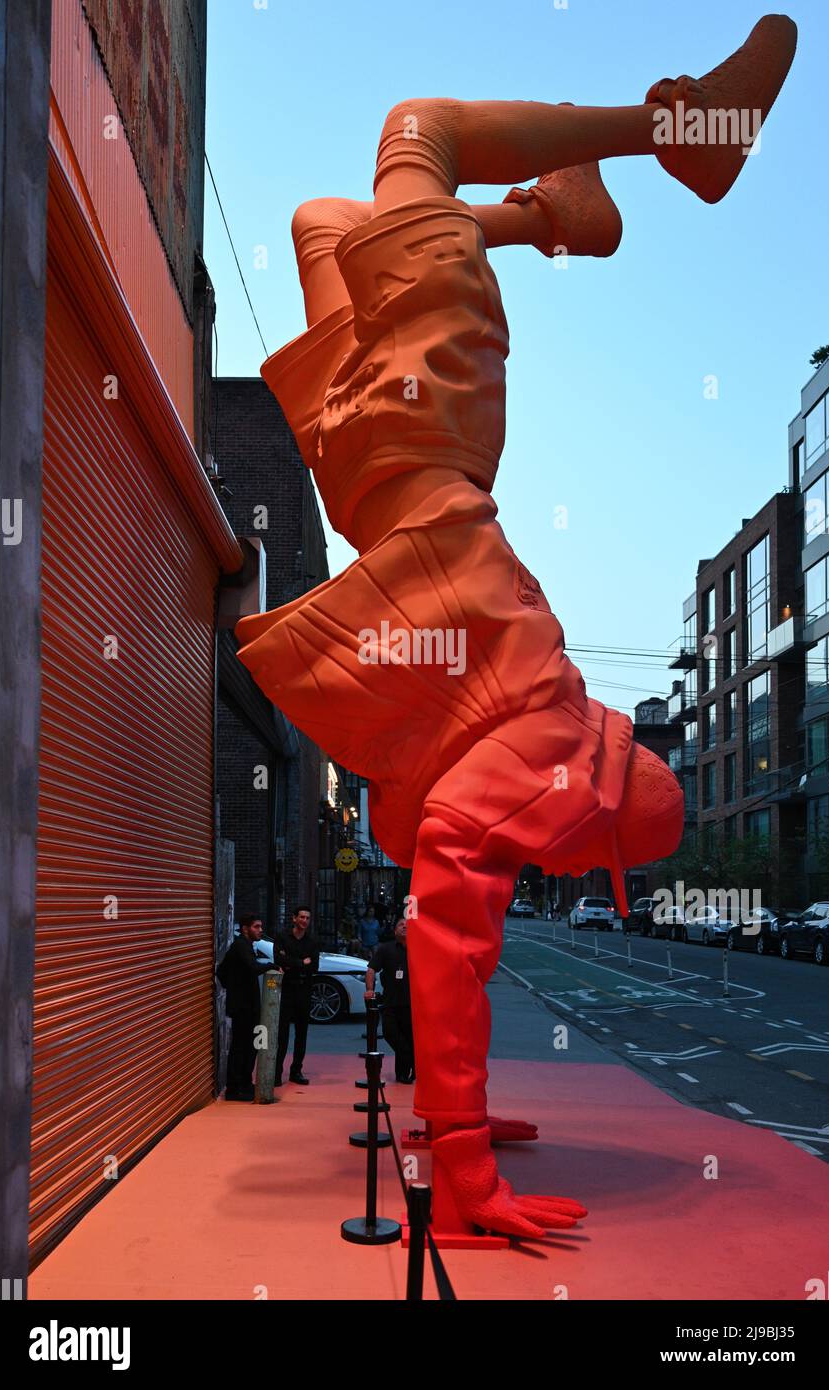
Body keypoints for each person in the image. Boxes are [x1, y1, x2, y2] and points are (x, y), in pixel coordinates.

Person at [236, 15, 797, 1235]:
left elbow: (446, 939)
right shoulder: (514, 731)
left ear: (604, 776)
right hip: (374, 455)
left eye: (636, 756)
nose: (631, 740)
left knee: (413, 135)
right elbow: (459, 942)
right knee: (326, 222)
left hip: (423, 436)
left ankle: (683, 132)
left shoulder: (533, 744)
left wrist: (464, 1165)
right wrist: (463, 1128)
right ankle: (557, 222)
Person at [216, 913, 274, 1102]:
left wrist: (232, 988)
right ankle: (237, 1087)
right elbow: (252, 967)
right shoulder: (241, 946)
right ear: (245, 928)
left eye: (260, 927)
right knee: (244, 1046)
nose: (260, 930)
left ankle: (242, 1084)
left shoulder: (243, 946)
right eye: (256, 927)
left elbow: (221, 971)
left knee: (245, 1045)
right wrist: (271, 965)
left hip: (243, 1004)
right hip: (244, 1007)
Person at [274, 905, 320, 1085]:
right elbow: (279, 960)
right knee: (282, 1034)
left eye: (307, 918)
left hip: (304, 989)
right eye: (302, 917)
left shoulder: (313, 941)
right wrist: (302, 962)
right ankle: (277, 1073)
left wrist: (290, 963)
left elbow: (314, 966)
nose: (305, 921)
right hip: (287, 989)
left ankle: (296, 1071)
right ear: (294, 918)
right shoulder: (282, 937)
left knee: (302, 1034)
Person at [365, 917, 414, 1082]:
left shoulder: (419, 949)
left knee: (408, 1037)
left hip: (412, 1004)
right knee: (390, 1034)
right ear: (395, 930)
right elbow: (371, 969)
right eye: (401, 925)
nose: (405, 927)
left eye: (408, 925)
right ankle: (412, 1061)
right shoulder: (386, 949)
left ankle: (402, 1075)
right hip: (391, 1003)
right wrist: (370, 990)